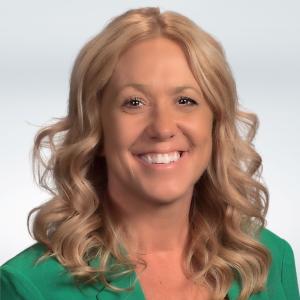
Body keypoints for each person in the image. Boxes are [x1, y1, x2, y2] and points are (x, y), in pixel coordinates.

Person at [0, 6, 299, 300]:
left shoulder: (270, 260)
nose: (163, 128)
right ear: (96, 128)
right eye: (134, 102)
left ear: (215, 124)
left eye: (185, 100)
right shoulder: (29, 287)